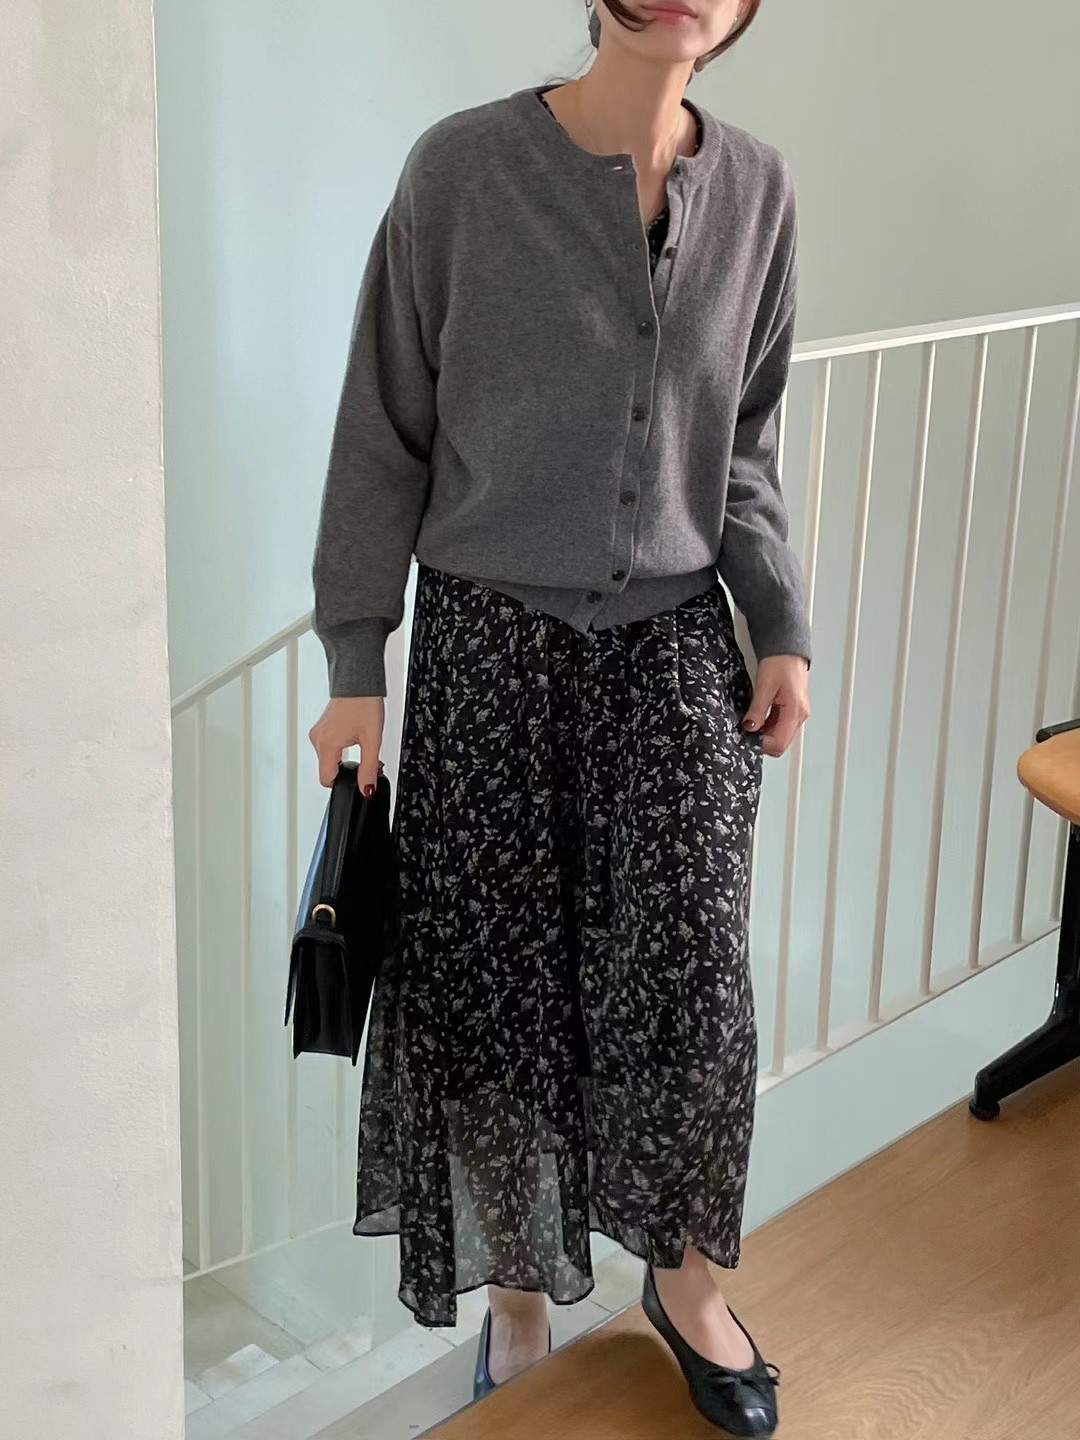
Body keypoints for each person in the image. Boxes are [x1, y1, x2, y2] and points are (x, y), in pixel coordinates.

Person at [308, 0, 810, 1432]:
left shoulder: (758, 191)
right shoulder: (462, 171)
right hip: (489, 649)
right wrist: (357, 657)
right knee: (491, 990)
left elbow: (745, 441)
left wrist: (780, 623)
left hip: (675, 651)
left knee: (695, 984)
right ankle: (519, 1298)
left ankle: (687, 1285)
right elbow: (383, 427)